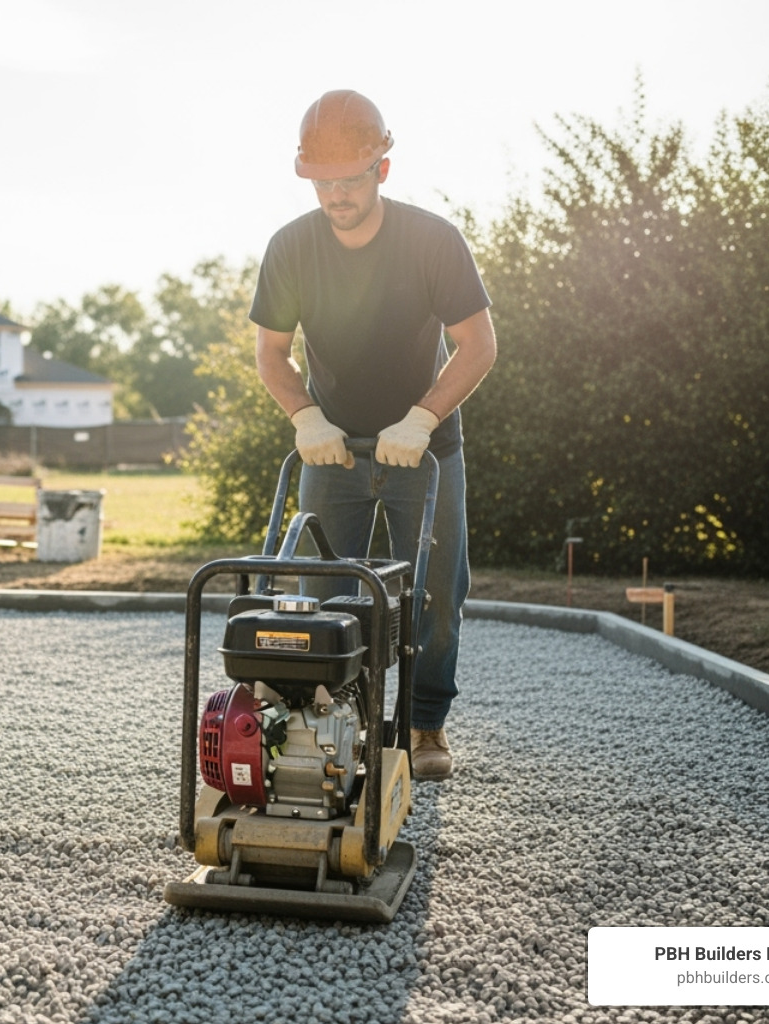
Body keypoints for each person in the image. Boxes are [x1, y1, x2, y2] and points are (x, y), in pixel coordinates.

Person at [250, 89, 497, 781]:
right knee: (321, 590)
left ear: (381, 169)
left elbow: (478, 345)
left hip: (424, 449)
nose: (335, 195)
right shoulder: (291, 247)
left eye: (349, 180)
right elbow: (272, 354)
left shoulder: (432, 240)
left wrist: (422, 418)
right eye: (321, 182)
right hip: (333, 447)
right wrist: (306, 417)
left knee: (436, 593)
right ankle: (332, 719)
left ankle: (425, 723)